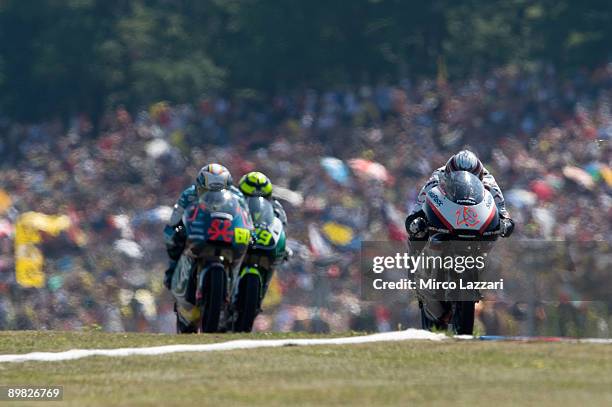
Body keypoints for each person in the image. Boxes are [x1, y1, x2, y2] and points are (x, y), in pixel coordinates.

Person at [405, 150, 514, 240]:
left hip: (475, 214)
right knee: (418, 228)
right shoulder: (439, 175)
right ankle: (412, 260)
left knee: (494, 231)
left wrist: (506, 222)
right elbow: (420, 202)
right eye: (457, 178)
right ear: (447, 174)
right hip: (447, 207)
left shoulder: (488, 180)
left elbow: (501, 208)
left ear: (479, 177)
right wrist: (415, 219)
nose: (463, 181)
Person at [163, 163, 237, 289]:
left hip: (226, 229)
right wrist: (174, 230)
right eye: (207, 191)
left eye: (219, 191)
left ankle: (240, 285)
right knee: (174, 238)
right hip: (199, 226)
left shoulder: (237, 196)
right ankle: (172, 272)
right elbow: (175, 218)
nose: (213, 196)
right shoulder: (189, 195)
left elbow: (245, 216)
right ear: (199, 186)